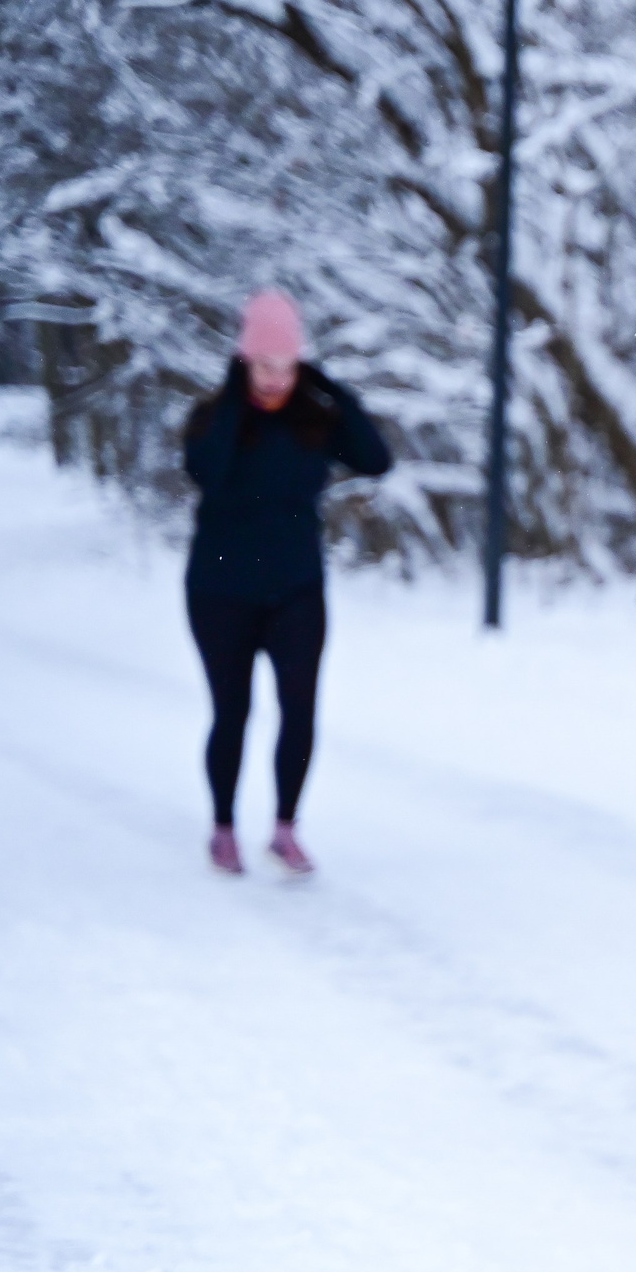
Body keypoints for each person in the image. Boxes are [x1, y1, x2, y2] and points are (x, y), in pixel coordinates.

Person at [181, 290, 393, 877]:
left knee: (299, 710)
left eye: (287, 366)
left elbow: (376, 460)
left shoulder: (314, 421)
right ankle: (223, 827)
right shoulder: (213, 420)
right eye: (265, 365)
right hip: (220, 591)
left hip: (296, 589)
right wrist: (233, 398)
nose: (277, 379)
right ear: (245, 360)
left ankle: (285, 828)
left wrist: (330, 388)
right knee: (233, 711)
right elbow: (208, 472)